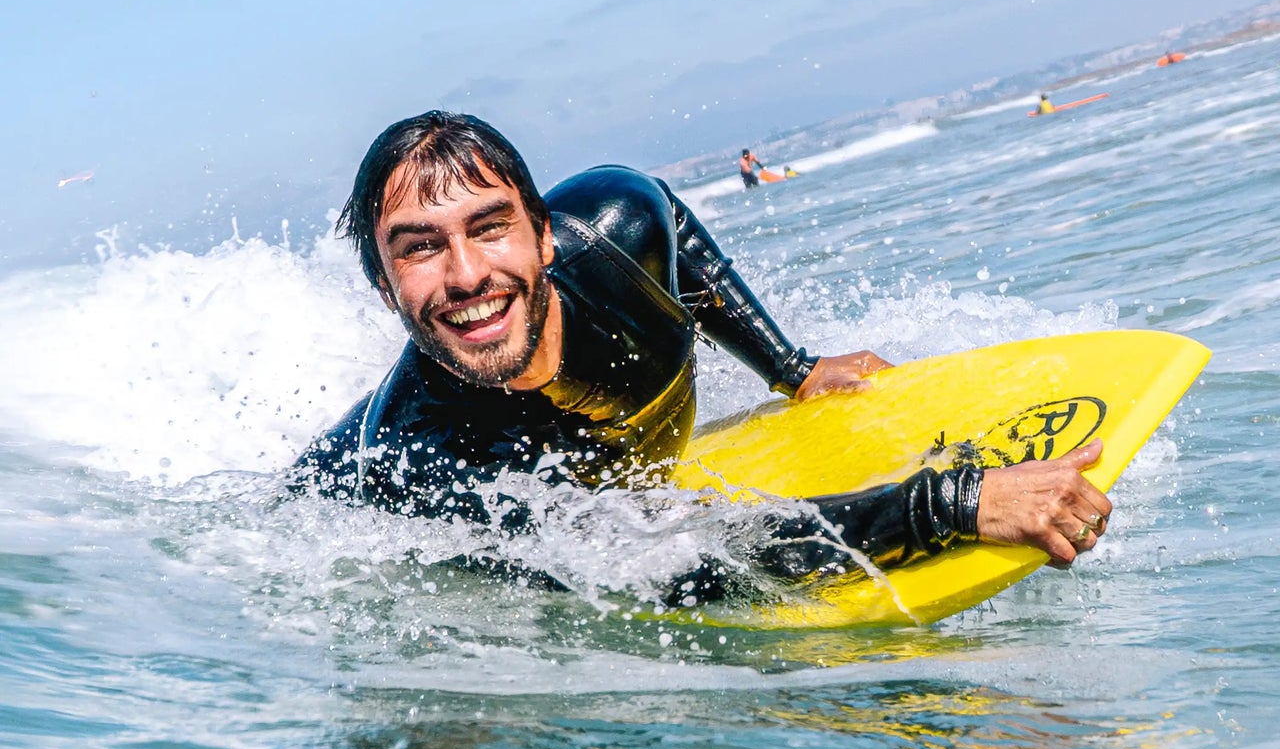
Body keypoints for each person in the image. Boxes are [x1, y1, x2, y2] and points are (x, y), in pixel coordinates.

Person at [292, 112, 1111, 594]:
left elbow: (674, 224)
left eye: (490, 226)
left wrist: (792, 369)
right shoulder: (425, 461)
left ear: (543, 236)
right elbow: (685, 566)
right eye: (420, 248)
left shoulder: (616, 225)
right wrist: (954, 504)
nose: (468, 274)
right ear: (381, 284)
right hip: (331, 491)